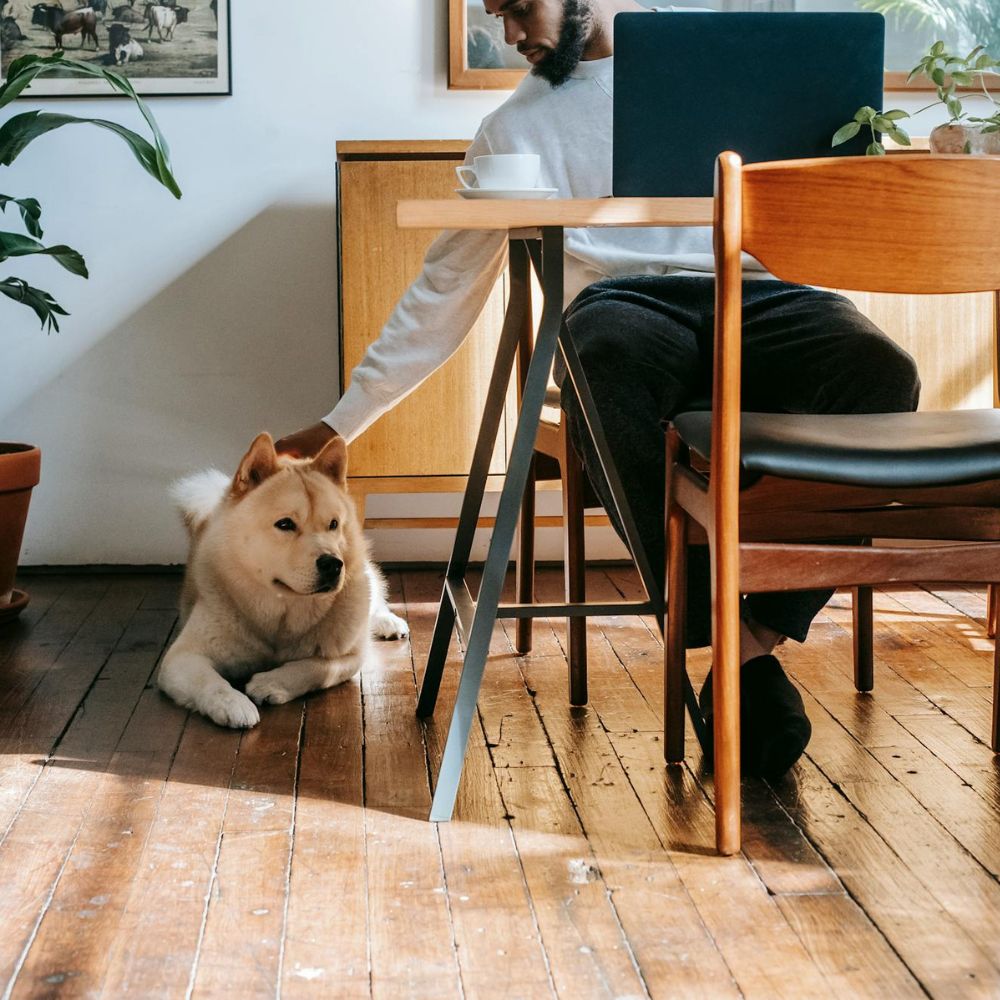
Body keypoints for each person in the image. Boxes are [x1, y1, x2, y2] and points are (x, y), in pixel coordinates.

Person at [277, 0, 921, 779]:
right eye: (498, 15)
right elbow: (442, 296)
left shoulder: (732, 64)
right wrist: (340, 422)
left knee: (883, 371)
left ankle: (748, 640)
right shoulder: (514, 129)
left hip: (769, 296)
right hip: (626, 308)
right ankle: (719, 626)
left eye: (519, 7)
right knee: (603, 353)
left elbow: (835, 205)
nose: (509, 34)